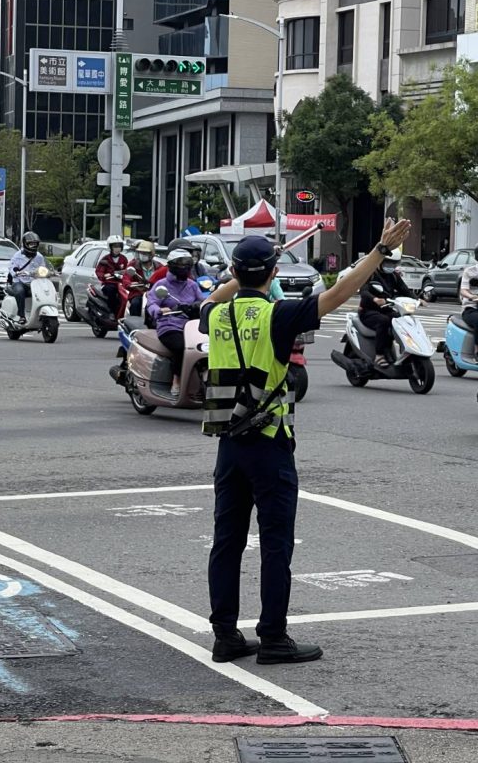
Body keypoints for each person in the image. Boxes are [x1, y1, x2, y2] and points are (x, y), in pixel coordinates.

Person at [201, 218, 412, 665]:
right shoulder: (279, 315)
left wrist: (235, 280)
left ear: (235, 273)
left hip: (229, 444)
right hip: (270, 441)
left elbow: (216, 297)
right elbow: (337, 294)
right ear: (273, 274)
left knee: (227, 541)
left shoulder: (214, 313)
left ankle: (225, 636)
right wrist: (379, 250)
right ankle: (273, 637)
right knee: (276, 542)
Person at [147, 250, 202, 396]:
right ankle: (176, 379)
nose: (184, 267)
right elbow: (151, 303)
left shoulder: (192, 285)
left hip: (191, 326)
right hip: (169, 325)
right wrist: (159, 310)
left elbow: (203, 301)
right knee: (181, 347)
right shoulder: (162, 285)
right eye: (180, 264)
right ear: (171, 266)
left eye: (187, 264)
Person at [357, 249, 425, 367]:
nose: (390, 266)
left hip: (387, 309)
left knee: (402, 320)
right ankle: (379, 355)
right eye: (388, 263)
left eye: (393, 264)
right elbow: (364, 291)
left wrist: (417, 299)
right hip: (368, 311)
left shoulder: (394, 276)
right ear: (380, 262)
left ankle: (405, 350)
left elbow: (404, 290)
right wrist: (375, 299)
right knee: (383, 321)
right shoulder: (371, 273)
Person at [8, 231, 48, 324]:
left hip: (34, 283)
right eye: (31, 244)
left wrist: (48, 272)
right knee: (20, 291)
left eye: (35, 244)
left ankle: (42, 314)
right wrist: (16, 271)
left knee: (44, 292)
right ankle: (21, 315)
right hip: (20, 281)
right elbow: (12, 267)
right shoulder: (18, 255)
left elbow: (43, 268)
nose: (33, 246)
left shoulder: (39, 257)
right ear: (25, 244)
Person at [96, 235, 129, 315]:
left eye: (119, 246)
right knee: (111, 292)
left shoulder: (124, 259)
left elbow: (127, 270)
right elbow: (99, 272)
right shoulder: (105, 259)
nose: (117, 248)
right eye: (115, 246)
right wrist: (104, 275)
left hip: (121, 283)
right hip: (109, 283)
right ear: (110, 247)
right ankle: (111, 312)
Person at [128, 240, 162, 316]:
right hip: (138, 293)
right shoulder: (133, 265)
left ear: (152, 254)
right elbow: (126, 278)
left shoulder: (159, 267)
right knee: (135, 303)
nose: (142, 255)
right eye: (141, 253)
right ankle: (134, 325)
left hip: (155, 294)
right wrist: (131, 284)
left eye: (145, 253)